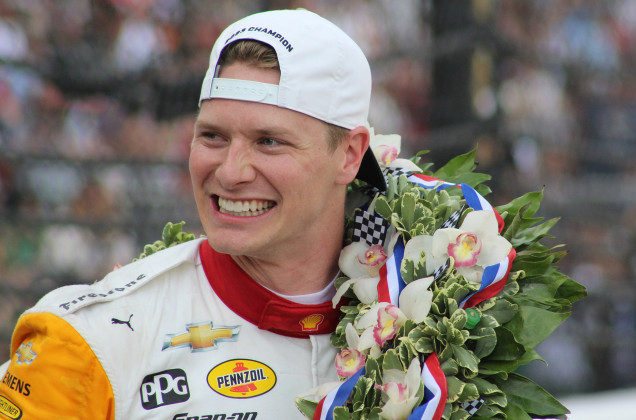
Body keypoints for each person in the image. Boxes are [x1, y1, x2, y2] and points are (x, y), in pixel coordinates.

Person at [0, 9, 386, 419]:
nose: (231, 172)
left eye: (269, 141)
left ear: (349, 155)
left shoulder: (428, 309)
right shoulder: (85, 344)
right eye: (213, 136)